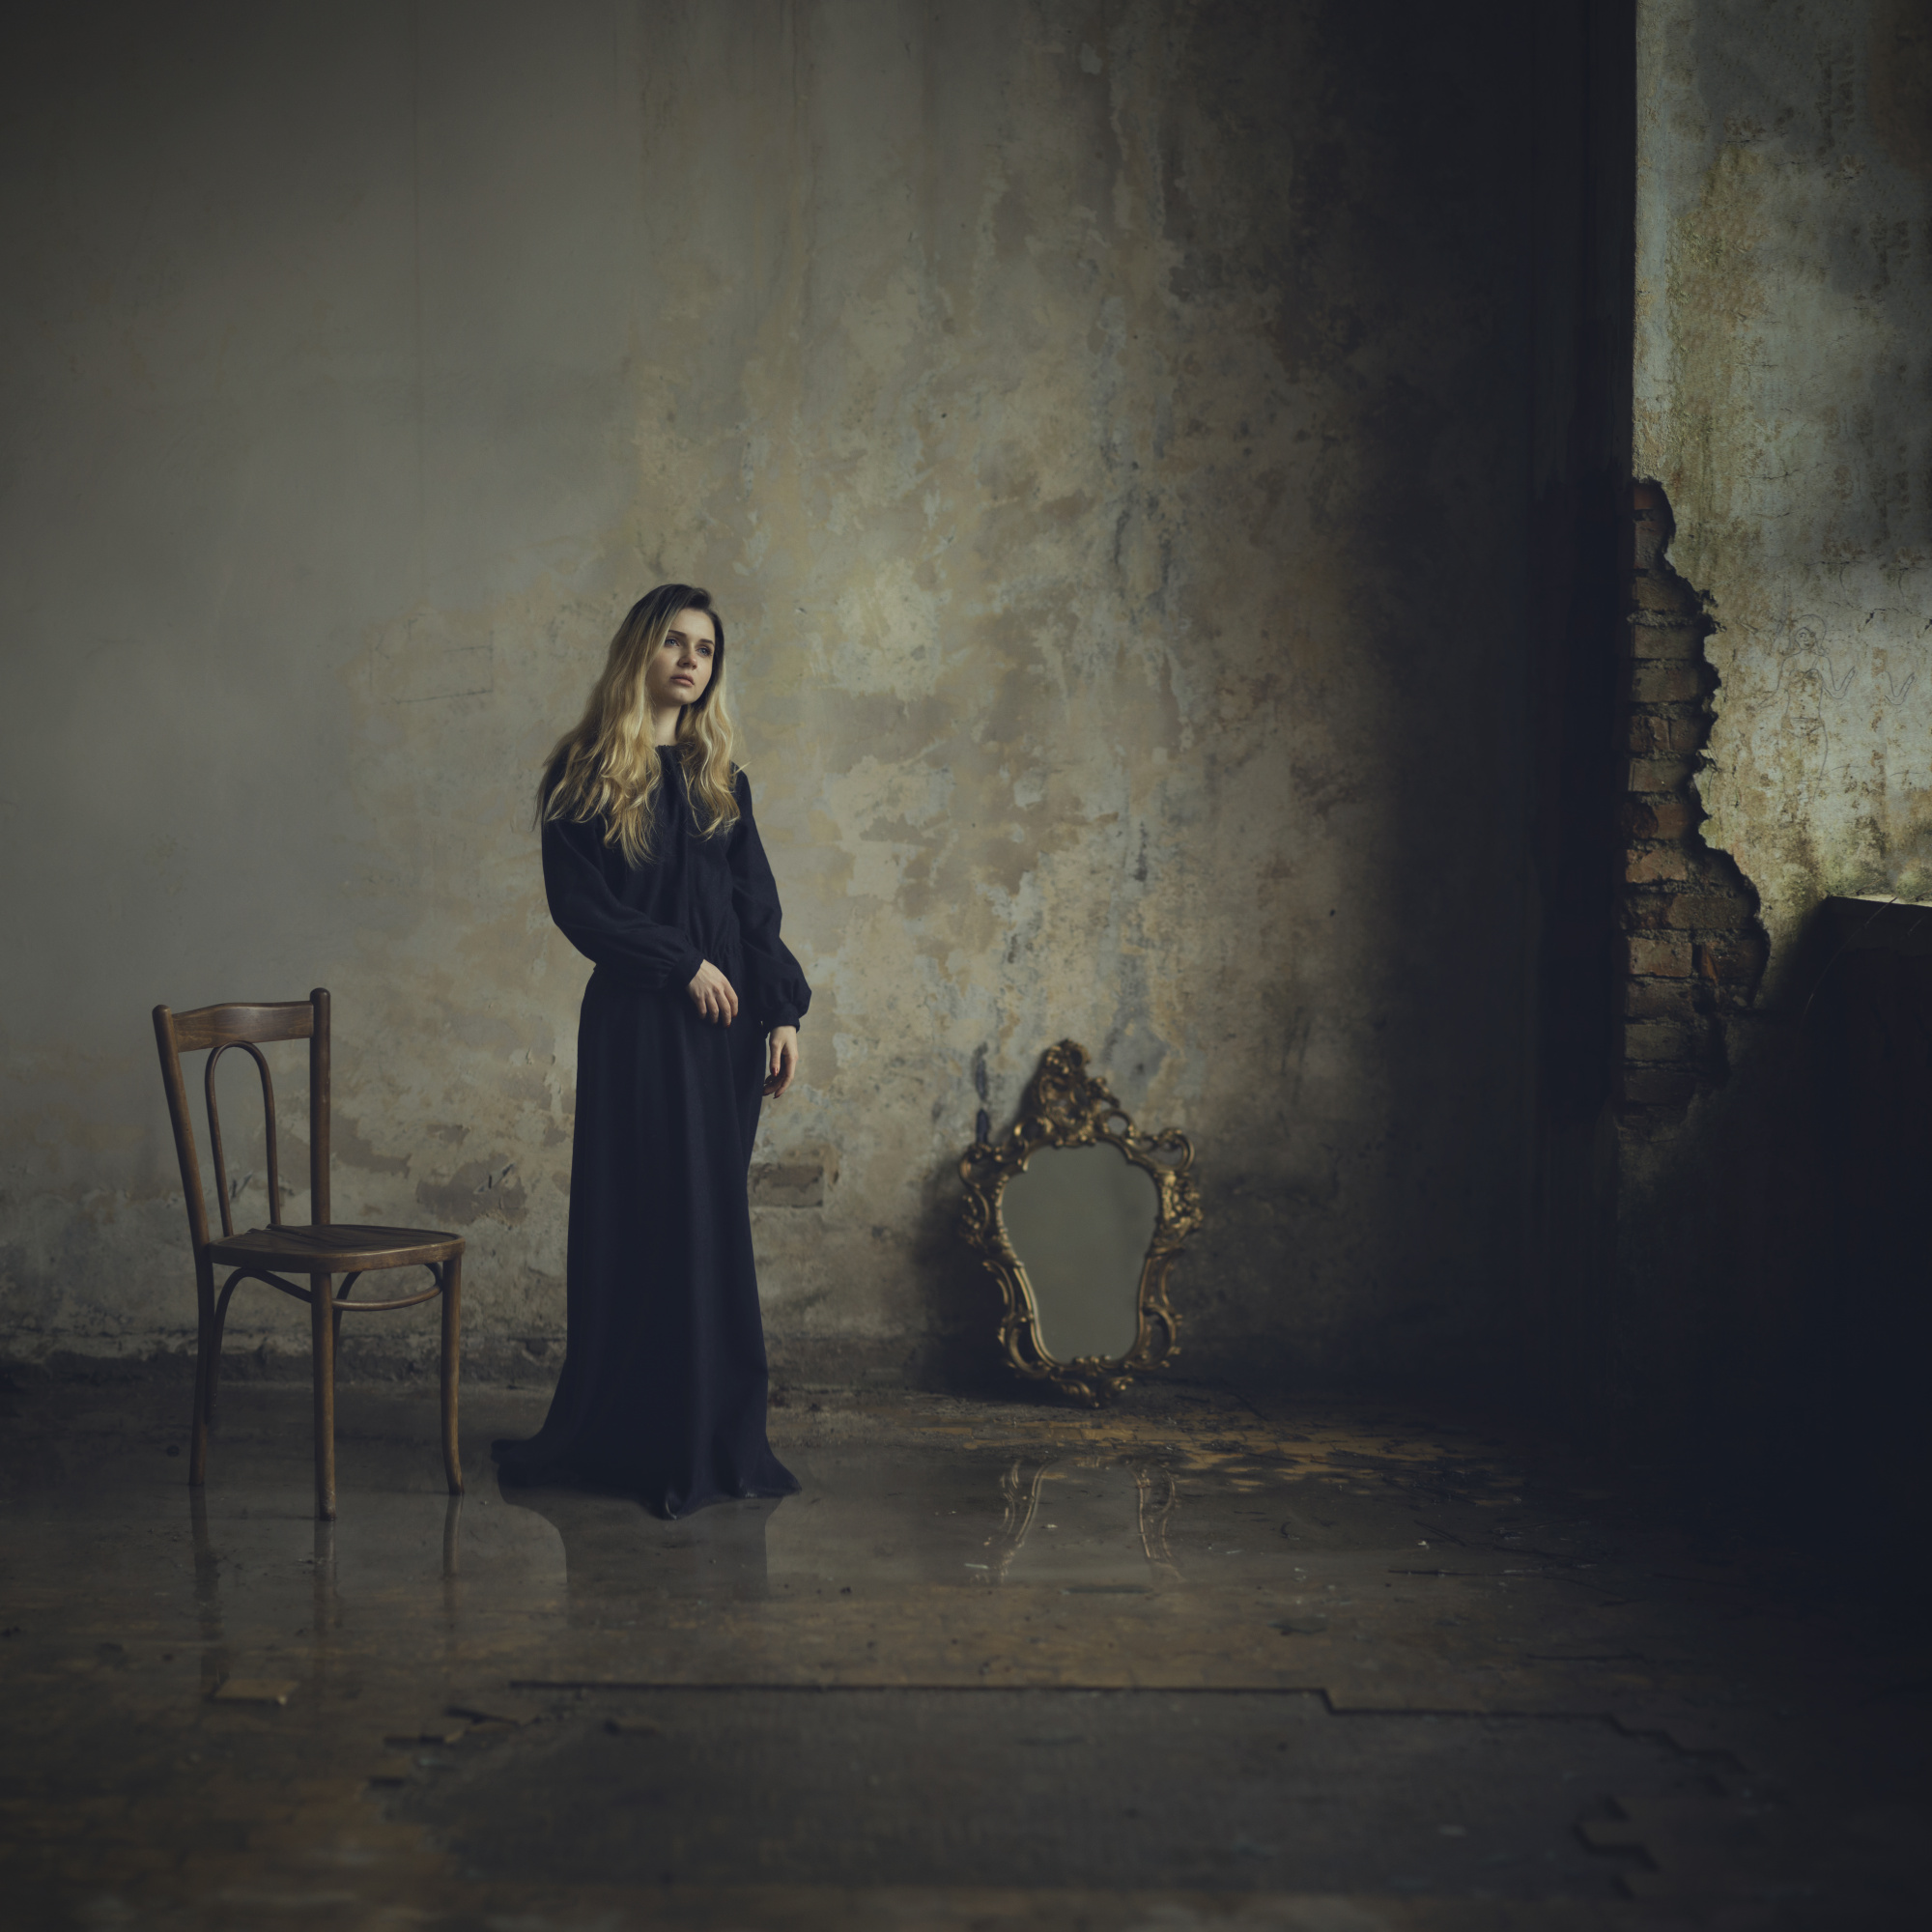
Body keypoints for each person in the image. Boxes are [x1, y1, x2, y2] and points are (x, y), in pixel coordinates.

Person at [491, 583, 806, 1518]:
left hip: (724, 1037)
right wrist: (681, 965)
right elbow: (582, 908)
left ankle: (714, 1438)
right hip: (639, 1029)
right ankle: (633, 1437)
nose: (691, 661)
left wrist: (782, 1012)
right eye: (674, 642)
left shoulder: (721, 779)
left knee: (710, 1231)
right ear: (641, 651)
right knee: (642, 1224)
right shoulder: (583, 773)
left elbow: (756, 906)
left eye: (705, 649)